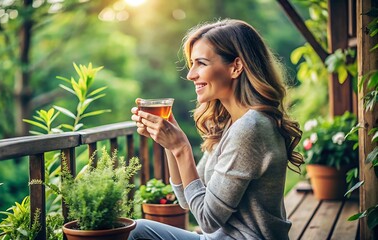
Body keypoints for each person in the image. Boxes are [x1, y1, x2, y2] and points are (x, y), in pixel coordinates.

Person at [129, 19, 303, 240]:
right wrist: (168, 143)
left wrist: (181, 148)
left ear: (236, 67)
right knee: (139, 230)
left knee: (137, 232)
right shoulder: (231, 124)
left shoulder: (251, 128)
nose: (191, 74)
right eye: (192, 64)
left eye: (201, 63)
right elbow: (187, 199)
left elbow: (207, 220)